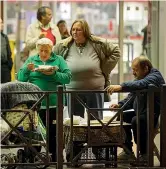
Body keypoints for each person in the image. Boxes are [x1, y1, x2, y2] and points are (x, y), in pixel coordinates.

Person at [53, 19, 120, 160]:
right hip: (72, 89)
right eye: (73, 29)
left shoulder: (97, 43)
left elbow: (116, 51)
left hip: (95, 89)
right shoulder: (64, 45)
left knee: (96, 121)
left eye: (79, 29)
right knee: (74, 123)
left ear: (86, 31)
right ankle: (75, 154)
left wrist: (104, 68)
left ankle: (98, 151)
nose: (75, 32)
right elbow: (54, 58)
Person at [17, 38, 72, 162]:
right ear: (37, 50)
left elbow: (68, 78)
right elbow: (20, 79)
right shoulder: (32, 60)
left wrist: (53, 74)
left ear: (51, 49)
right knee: (34, 132)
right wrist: (26, 69)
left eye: (46, 51)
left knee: (54, 132)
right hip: (36, 104)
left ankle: (56, 157)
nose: (43, 53)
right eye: (41, 50)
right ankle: (33, 157)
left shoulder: (58, 60)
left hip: (54, 103)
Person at [106, 56, 165, 161]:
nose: (133, 72)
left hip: (154, 115)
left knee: (137, 120)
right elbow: (132, 97)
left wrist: (121, 86)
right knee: (122, 115)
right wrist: (120, 105)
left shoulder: (155, 76)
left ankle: (144, 154)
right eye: (132, 69)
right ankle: (127, 151)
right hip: (142, 111)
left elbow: (141, 84)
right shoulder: (141, 78)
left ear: (146, 68)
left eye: (136, 70)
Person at [0, 17, 13, 83]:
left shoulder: (4, 36)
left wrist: (9, 65)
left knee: (6, 91)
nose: (2, 24)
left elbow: (9, 53)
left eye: (2, 22)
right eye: (0, 23)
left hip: (5, 68)